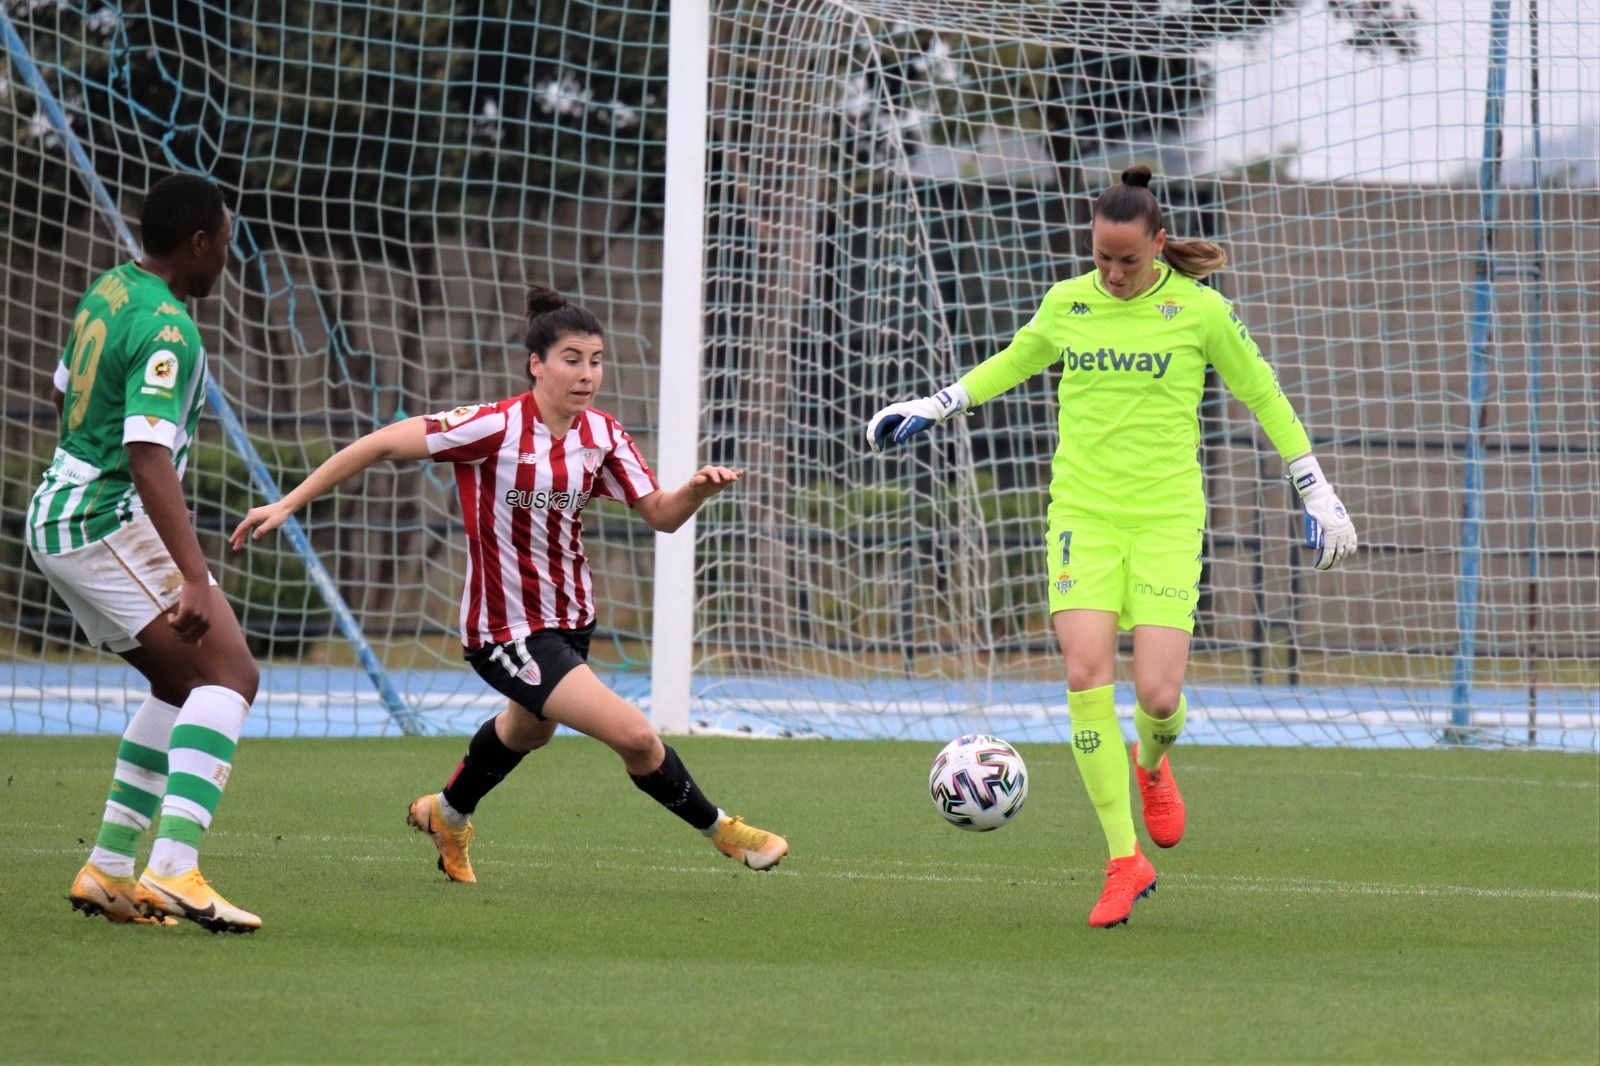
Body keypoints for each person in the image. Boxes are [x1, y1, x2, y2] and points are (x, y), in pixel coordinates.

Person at [866, 166, 1357, 928]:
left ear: (1159, 245)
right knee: (1085, 671)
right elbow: (1015, 361)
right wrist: (937, 404)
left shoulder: (1200, 310)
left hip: (1165, 522)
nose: (1114, 273)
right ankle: (1124, 859)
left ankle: (1152, 762)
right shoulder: (1068, 302)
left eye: (1128, 260)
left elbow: (1263, 393)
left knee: (1159, 697)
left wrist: (1314, 489)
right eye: (1102, 258)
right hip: (1083, 518)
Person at [230, 283, 788, 881]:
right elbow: (381, 443)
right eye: (572, 359)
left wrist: (694, 493)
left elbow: (659, 514)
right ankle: (725, 831)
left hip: (572, 620)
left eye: (596, 361)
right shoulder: (491, 427)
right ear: (536, 364)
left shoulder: (602, 435)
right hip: (506, 628)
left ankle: (446, 813)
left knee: (529, 729)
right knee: (636, 736)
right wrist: (287, 503)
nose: (587, 374)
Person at [28, 173, 262, 933]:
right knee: (230, 673)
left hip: (60, 512)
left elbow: (64, 395)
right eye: (224, 242)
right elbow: (146, 453)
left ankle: (108, 870)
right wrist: (193, 575)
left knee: (176, 682)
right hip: (102, 519)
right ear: (198, 243)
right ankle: (174, 870)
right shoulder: (169, 327)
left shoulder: (110, 289)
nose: (226, 256)